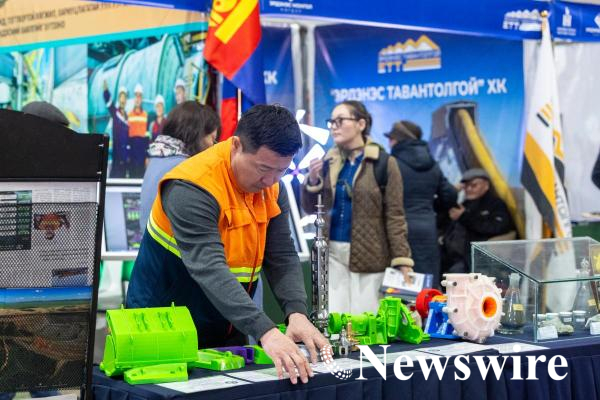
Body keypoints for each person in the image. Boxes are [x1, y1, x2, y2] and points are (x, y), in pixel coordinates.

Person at [127, 105, 327, 384]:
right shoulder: (191, 186)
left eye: (281, 171)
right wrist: (266, 331)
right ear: (236, 145)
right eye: (263, 168)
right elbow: (210, 267)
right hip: (163, 325)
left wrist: (297, 313)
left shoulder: (272, 187)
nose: (270, 181)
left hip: (227, 320)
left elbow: (281, 254)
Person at [302, 100, 413, 315]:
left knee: (366, 321)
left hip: (371, 256)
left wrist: (402, 259)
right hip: (332, 254)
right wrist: (313, 180)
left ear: (361, 124)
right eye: (331, 121)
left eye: (340, 120)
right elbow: (310, 209)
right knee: (335, 320)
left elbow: (395, 215)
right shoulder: (328, 162)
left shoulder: (383, 163)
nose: (334, 127)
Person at [386, 120, 457, 287]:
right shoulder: (432, 164)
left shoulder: (391, 163)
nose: (389, 142)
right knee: (427, 284)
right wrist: (431, 207)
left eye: (391, 138)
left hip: (399, 230)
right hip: (428, 228)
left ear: (397, 139)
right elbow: (450, 195)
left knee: (400, 285)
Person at [139, 101, 220, 231]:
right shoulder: (185, 169)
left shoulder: (158, 157)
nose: (214, 145)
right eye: (212, 138)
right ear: (196, 134)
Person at [441, 168, 515, 274]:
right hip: (451, 257)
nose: (469, 189)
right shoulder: (463, 204)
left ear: (486, 186)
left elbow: (497, 227)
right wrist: (453, 193)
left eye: (474, 185)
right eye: (466, 186)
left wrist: (464, 216)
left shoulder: (495, 204)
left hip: (475, 261)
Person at [103, 82, 129, 178]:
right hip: (116, 154)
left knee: (123, 178)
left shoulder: (127, 117)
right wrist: (106, 91)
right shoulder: (115, 112)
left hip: (124, 156)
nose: (123, 100)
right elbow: (109, 103)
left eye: (124, 98)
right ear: (119, 99)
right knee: (115, 176)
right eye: (121, 97)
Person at [127, 83, 149, 178]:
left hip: (141, 151)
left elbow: (147, 136)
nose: (138, 98)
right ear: (134, 98)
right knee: (131, 176)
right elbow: (127, 136)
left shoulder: (146, 115)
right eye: (136, 96)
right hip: (132, 150)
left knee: (140, 176)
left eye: (139, 96)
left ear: (142, 99)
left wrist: (147, 155)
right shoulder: (129, 115)